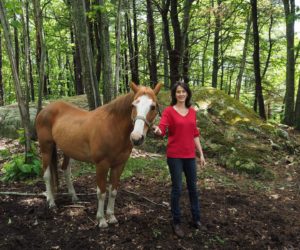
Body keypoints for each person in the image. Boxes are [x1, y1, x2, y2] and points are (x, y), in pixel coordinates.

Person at [153, 80, 206, 238]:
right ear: (174, 95)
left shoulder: (192, 112)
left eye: (183, 91)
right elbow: (162, 129)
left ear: (187, 93)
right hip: (175, 156)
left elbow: (194, 134)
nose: (181, 94)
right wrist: (157, 130)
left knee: (193, 189)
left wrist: (201, 154)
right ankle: (176, 222)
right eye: (178, 92)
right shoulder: (169, 111)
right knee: (177, 189)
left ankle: (196, 219)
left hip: (190, 156)